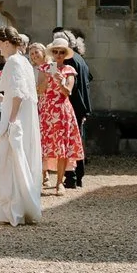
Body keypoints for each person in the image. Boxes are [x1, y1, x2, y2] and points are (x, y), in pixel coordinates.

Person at [0, 28, 42, 226]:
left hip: (17, 117)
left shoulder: (13, 61)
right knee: (19, 158)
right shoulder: (23, 61)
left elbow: (19, 94)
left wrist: (11, 120)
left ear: (6, 42)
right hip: (22, 115)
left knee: (12, 159)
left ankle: (15, 209)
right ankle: (18, 207)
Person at [39, 40, 85, 194]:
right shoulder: (44, 68)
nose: (58, 55)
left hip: (62, 110)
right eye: (56, 51)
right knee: (43, 144)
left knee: (62, 146)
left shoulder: (69, 70)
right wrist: (47, 78)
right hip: (46, 110)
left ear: (65, 54)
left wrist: (60, 82)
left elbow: (68, 92)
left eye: (62, 52)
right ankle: (41, 178)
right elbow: (40, 90)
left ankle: (59, 182)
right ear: (52, 53)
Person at [55, 31, 91, 189]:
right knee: (77, 140)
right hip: (81, 104)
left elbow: (71, 87)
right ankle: (78, 176)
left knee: (70, 141)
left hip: (72, 103)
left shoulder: (69, 61)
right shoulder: (80, 58)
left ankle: (72, 177)